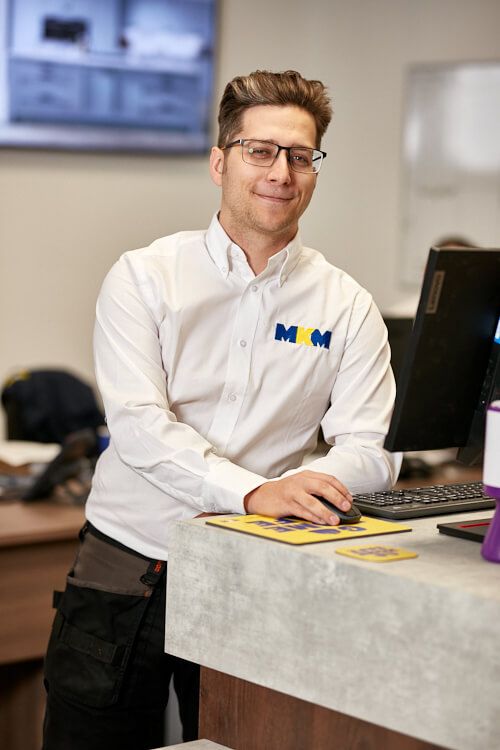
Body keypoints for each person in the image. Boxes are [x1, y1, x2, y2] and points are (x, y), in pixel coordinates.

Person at [42, 69, 401, 750]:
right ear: (220, 162)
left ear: (315, 171)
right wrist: (258, 489)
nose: (281, 172)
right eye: (260, 151)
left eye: (300, 155)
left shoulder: (345, 305)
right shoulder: (145, 277)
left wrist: (307, 487)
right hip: (129, 573)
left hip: (258, 573)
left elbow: (374, 450)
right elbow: (141, 431)